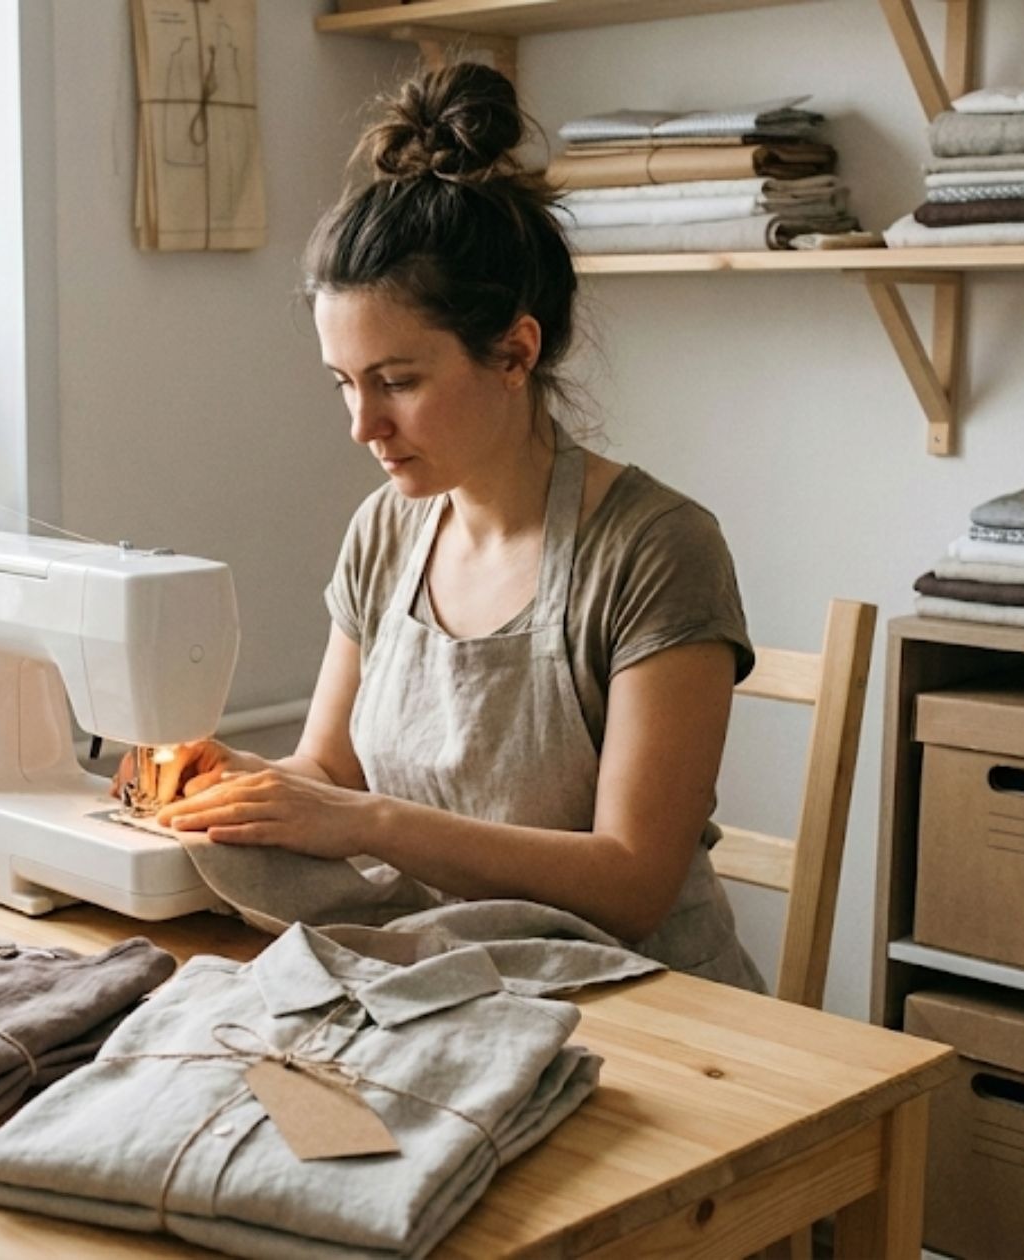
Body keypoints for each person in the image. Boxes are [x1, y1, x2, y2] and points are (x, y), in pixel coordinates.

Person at [139, 62, 765, 990]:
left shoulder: (655, 550)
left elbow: (633, 880)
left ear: (515, 352)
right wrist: (223, 779)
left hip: (645, 1002)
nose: (364, 426)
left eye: (398, 382)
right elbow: (332, 770)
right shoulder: (385, 533)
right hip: (453, 982)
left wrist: (368, 823)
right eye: (345, 385)